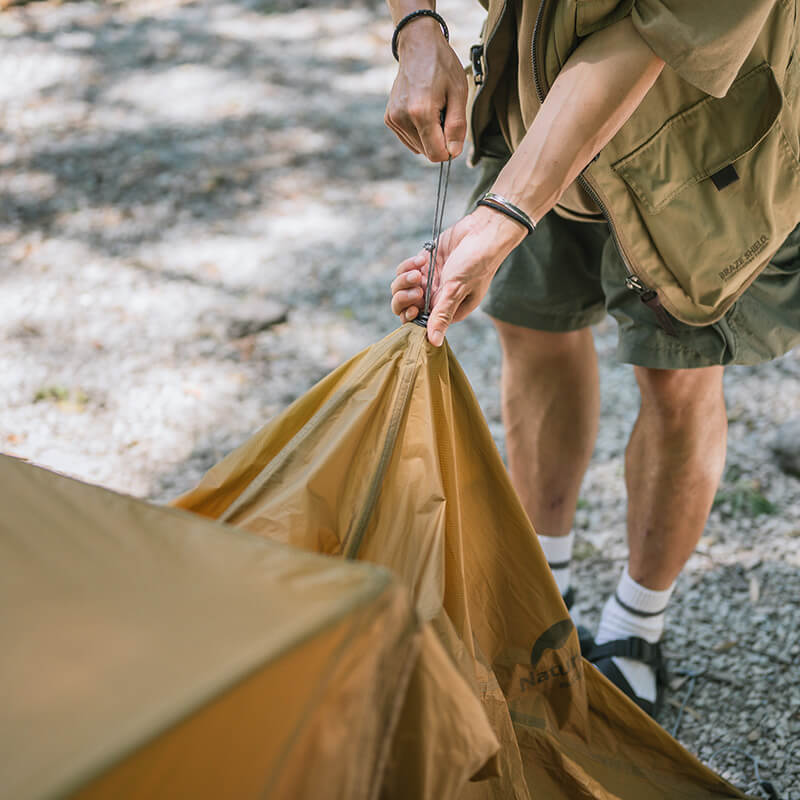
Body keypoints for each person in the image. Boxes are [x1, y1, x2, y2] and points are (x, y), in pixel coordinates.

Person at [384, 0, 800, 717]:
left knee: (676, 372)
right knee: (532, 324)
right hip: (533, 101)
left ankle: (637, 626)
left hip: (703, 137)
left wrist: (505, 215)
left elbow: (657, 27)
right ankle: (544, 590)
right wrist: (417, 26)